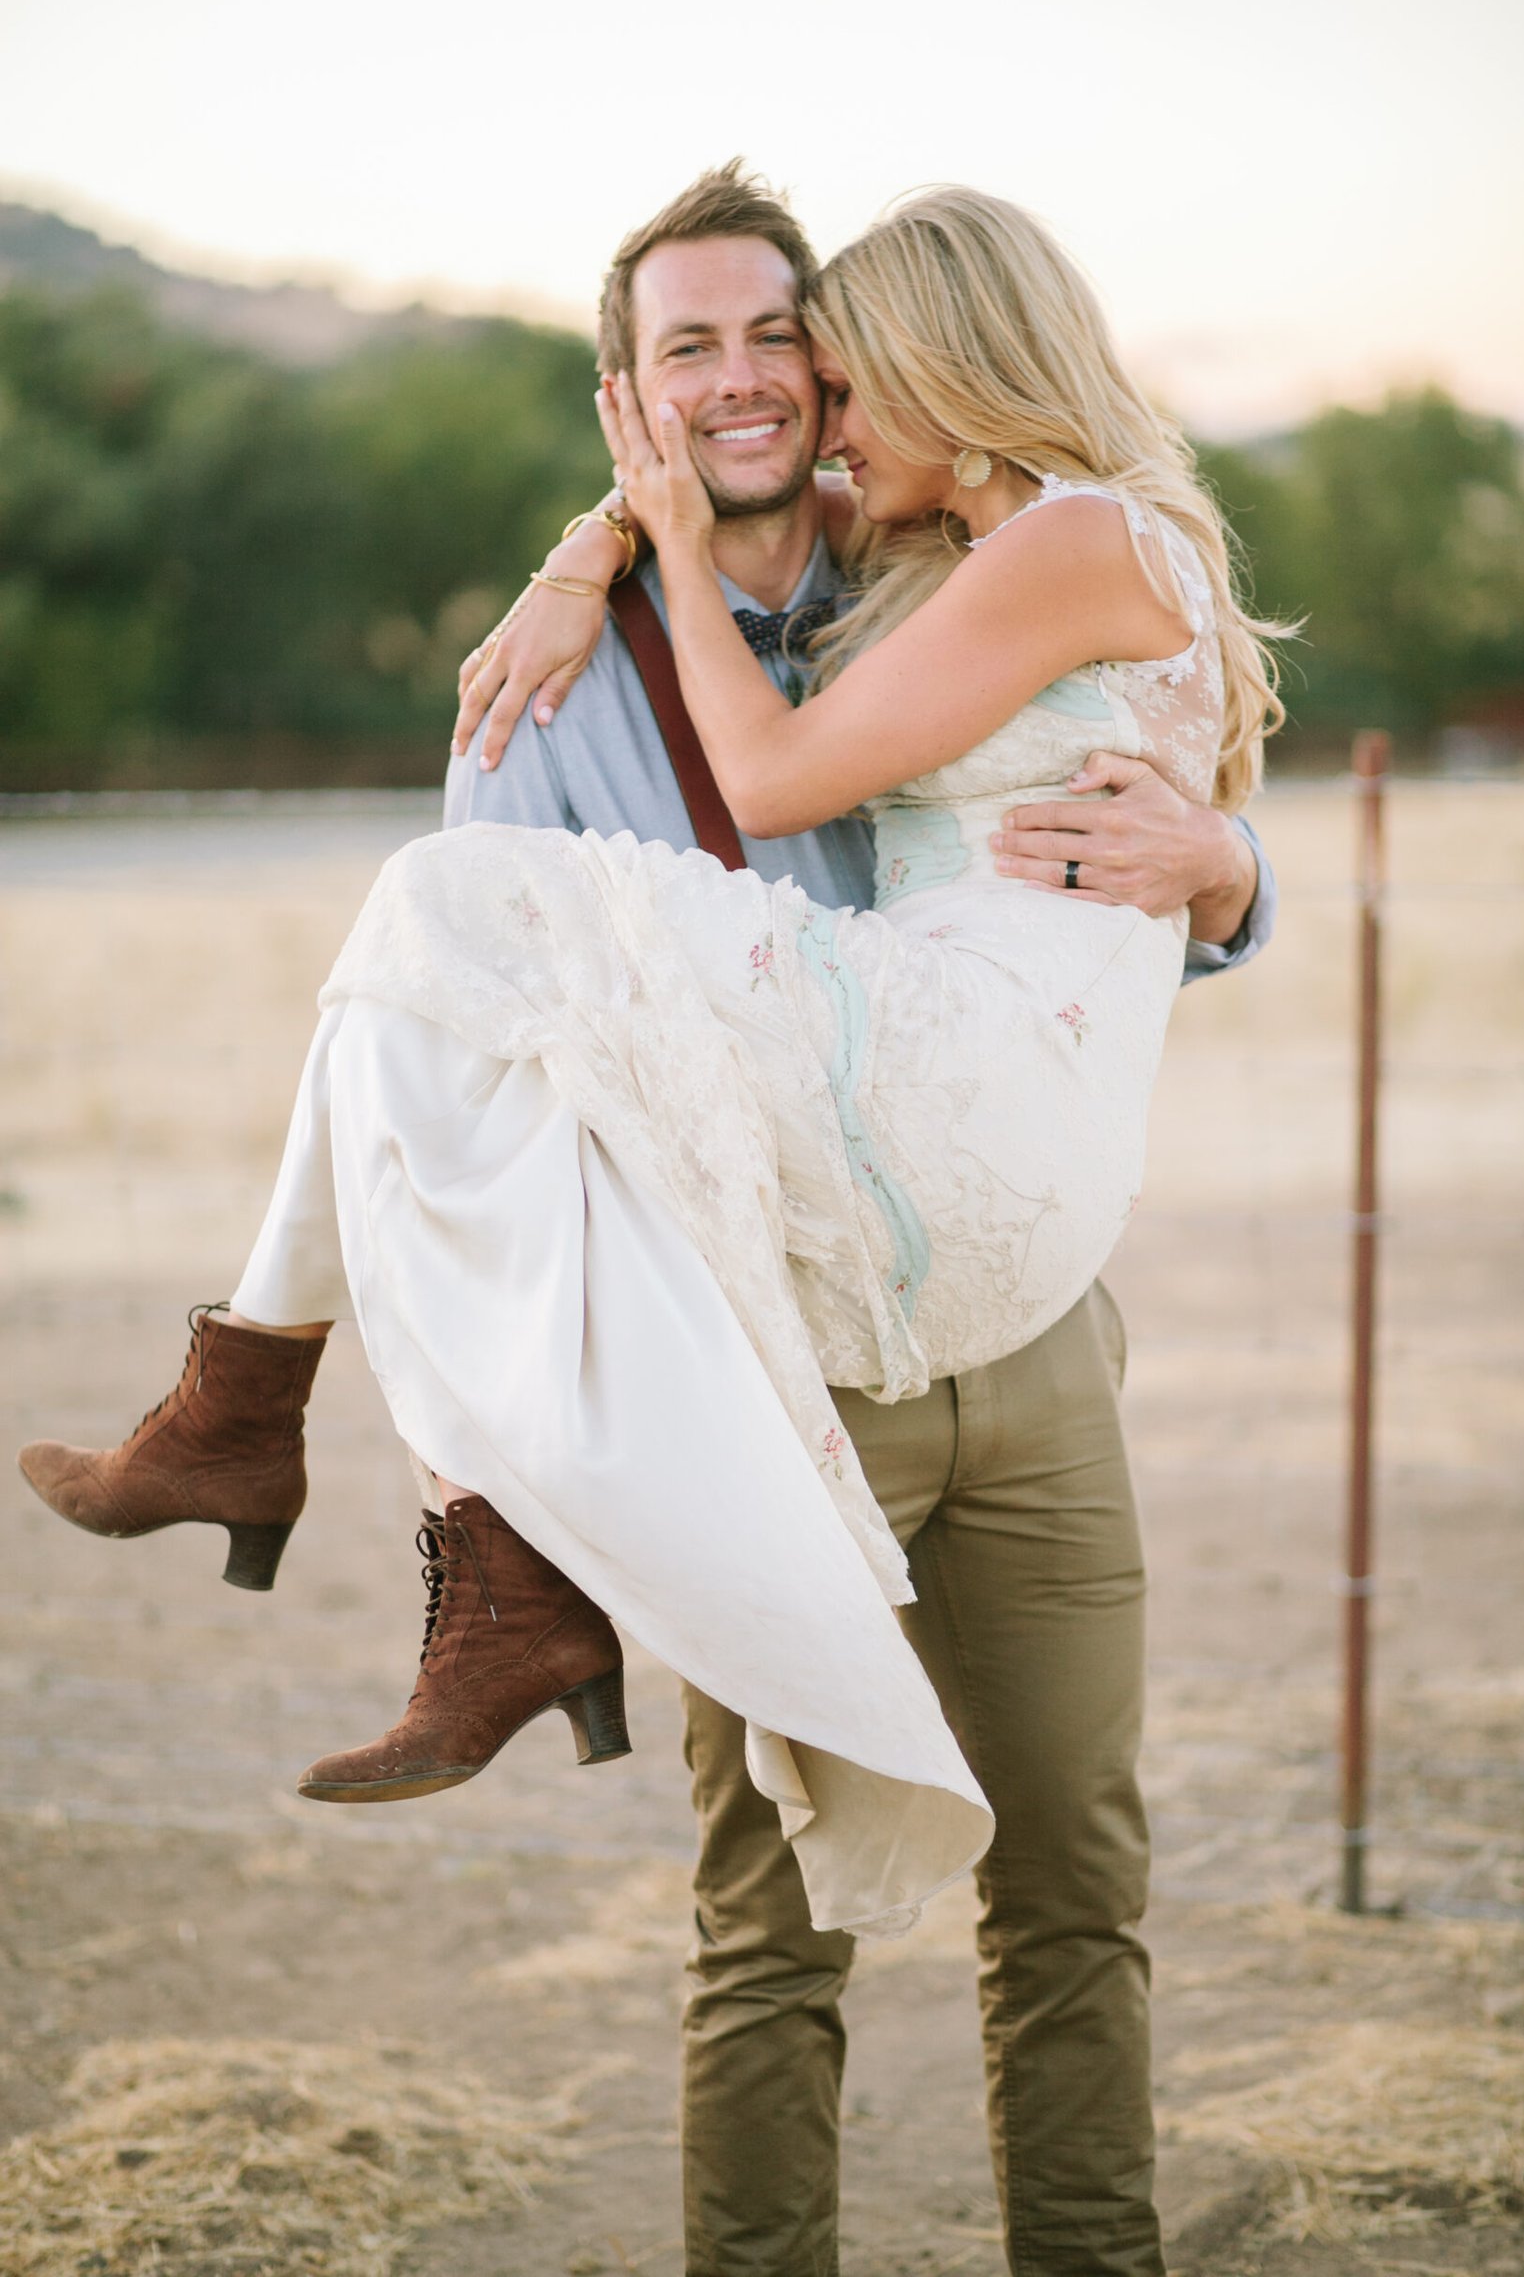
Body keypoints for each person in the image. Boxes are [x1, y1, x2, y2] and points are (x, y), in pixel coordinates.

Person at [21, 168, 1282, 2276]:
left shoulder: (933, 578)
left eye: (787, 341)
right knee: (765, 1924)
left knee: (1077, 1878)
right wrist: (606, 554)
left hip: (1027, 1321)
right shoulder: (562, 676)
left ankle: (243, 1400)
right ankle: (384, 1492)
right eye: (683, 350)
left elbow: (1079, 852)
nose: (764, 383)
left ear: (859, 364)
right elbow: (476, 1096)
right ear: (628, 400)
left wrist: (1231, 861)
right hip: (766, 1326)